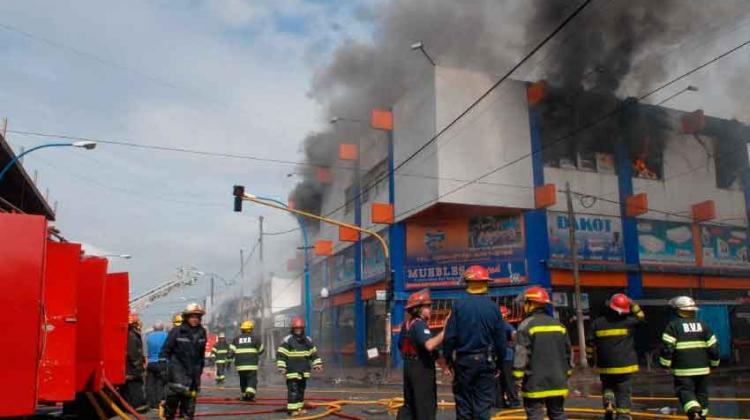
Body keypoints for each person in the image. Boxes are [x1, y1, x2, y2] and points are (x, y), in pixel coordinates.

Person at [443, 265, 507, 420]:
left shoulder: (458, 306)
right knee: (482, 407)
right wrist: (499, 364)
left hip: (464, 363)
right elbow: (500, 339)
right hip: (486, 363)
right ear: (486, 283)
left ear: (467, 283)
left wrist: (448, 361)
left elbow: (449, 337)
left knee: (464, 406)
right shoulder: (493, 308)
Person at [513, 286, 571, 420]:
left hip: (534, 382)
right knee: (558, 414)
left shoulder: (526, 325)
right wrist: (567, 373)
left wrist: (517, 377)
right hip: (558, 380)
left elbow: (521, 354)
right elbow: (568, 352)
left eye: (525, 303)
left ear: (531, 304)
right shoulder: (559, 325)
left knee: (535, 415)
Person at [660, 296, 720, 420]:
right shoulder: (704, 326)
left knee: (685, 392)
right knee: (701, 394)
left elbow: (667, 348)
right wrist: (714, 364)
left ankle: (694, 412)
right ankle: (702, 415)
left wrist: (665, 364)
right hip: (703, 369)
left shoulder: (673, 326)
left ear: (678, 310)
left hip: (683, 370)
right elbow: (714, 348)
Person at [589, 293, 645, 420]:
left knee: (608, 385)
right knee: (623, 391)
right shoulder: (629, 322)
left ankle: (609, 402)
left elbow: (590, 344)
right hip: (626, 366)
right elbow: (641, 318)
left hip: (606, 366)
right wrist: (633, 304)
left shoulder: (597, 323)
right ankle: (623, 414)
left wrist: (590, 360)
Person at [397, 288, 448, 420]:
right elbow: (429, 345)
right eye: (428, 306)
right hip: (421, 369)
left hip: (409, 367)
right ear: (419, 309)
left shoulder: (406, 324)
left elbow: (400, 345)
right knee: (425, 405)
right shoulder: (420, 325)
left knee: (410, 404)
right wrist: (445, 331)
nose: (431, 309)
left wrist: (442, 364)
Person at [161, 303, 208, 420]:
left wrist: (199, 373)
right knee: (170, 412)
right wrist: (163, 370)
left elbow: (200, 356)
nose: (195, 319)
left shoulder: (202, 332)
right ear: (186, 317)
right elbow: (165, 351)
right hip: (176, 379)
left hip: (192, 381)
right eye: (192, 316)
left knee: (188, 413)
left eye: (198, 317)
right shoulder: (177, 332)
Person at [276, 316, 322, 416]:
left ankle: (299, 408)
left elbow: (313, 354)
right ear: (292, 328)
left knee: (301, 390)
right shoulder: (288, 340)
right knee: (293, 390)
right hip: (292, 371)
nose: (298, 330)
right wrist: (282, 367)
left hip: (304, 371)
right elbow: (281, 355)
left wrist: (317, 364)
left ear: (303, 329)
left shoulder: (307, 341)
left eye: (300, 328)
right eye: (296, 328)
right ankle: (292, 410)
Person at [230, 320, 264, 400]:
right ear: (251, 329)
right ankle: (250, 393)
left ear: (241, 329)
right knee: (252, 379)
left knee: (243, 379)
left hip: (240, 365)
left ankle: (244, 394)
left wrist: (229, 359)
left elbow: (231, 351)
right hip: (251, 364)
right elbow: (261, 350)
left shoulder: (236, 339)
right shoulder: (255, 339)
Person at [120, 313, 148, 412]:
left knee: (129, 387)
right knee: (134, 387)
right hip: (132, 368)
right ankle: (137, 406)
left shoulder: (130, 333)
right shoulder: (131, 334)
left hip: (129, 367)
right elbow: (133, 351)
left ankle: (129, 407)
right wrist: (138, 366)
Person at [495, 305, 519, 409]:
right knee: (509, 380)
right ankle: (513, 401)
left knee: (499, 380)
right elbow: (514, 334)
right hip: (507, 356)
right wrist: (513, 343)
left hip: (497, 356)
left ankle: (499, 401)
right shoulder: (505, 325)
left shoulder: (493, 326)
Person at [145, 322, 169, 410]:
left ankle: (152, 404)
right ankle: (161, 402)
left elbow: (145, 351)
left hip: (151, 363)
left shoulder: (148, 337)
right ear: (162, 328)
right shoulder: (166, 335)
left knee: (150, 384)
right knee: (161, 383)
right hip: (163, 362)